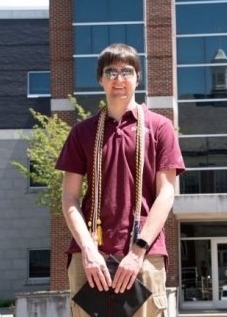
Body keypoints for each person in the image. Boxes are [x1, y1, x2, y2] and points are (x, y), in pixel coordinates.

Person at [55, 43, 185, 317]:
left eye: (126, 71)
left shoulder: (160, 127)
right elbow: (69, 198)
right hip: (90, 259)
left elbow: (166, 194)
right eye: (110, 72)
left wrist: (138, 252)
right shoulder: (82, 132)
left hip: (144, 256)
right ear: (100, 79)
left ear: (138, 78)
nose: (119, 78)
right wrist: (88, 250)